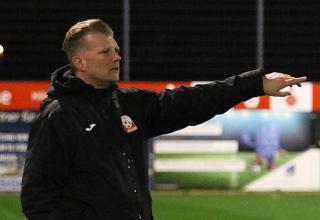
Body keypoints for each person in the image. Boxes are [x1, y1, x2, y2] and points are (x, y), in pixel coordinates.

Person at [20, 18, 307, 220]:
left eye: (116, 49)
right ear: (79, 62)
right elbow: (38, 197)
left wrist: (255, 85)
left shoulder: (128, 102)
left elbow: (192, 101)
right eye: (105, 51)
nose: (116, 56)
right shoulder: (59, 115)